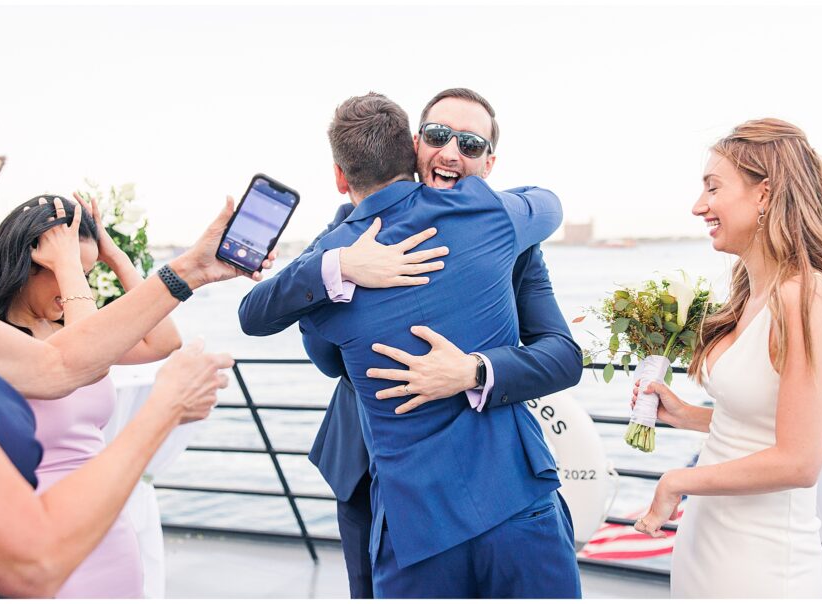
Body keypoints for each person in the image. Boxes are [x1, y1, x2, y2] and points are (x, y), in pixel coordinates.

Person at [238, 88, 581, 597]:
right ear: (413, 145)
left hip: (494, 492)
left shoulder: (503, 227)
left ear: (489, 164)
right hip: (376, 486)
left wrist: (474, 370)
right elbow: (331, 363)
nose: (450, 153)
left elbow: (563, 355)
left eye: (469, 144)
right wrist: (343, 266)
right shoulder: (342, 243)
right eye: (439, 137)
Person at [0, 62, 269, 597]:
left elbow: (68, 363)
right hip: (50, 541)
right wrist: (164, 407)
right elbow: (30, 560)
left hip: (103, 535)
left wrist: (181, 265)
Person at [630, 118, 822, 598]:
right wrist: (687, 416)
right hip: (710, 547)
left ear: (764, 194)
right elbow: (766, 422)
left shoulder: (808, 297)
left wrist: (675, 481)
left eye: (713, 187)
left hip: (762, 565)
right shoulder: (751, 294)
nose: (698, 206)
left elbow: (801, 459)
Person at [0, 193, 183, 597]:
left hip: (109, 533)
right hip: (44, 533)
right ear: (27, 263)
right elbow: (83, 359)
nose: (76, 286)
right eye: (67, 271)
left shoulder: (69, 334)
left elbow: (165, 340)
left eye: (87, 273)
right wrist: (69, 265)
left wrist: (112, 255)